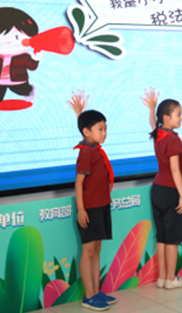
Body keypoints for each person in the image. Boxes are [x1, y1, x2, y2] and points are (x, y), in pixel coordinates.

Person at [68, 90, 117, 311]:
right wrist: (81, 210)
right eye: (100, 129)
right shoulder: (86, 153)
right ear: (87, 132)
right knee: (88, 251)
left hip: (102, 205)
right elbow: (78, 183)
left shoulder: (94, 149)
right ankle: (88, 296)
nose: (104, 133)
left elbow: (85, 127)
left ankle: (96, 291)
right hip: (90, 209)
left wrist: (80, 113)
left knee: (97, 249)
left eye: (105, 128)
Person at [141, 88, 182, 289]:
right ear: (166, 117)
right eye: (178, 114)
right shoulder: (172, 139)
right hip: (171, 191)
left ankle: (162, 278)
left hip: (157, 190)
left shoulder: (158, 134)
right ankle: (171, 279)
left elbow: (152, 123)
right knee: (172, 239)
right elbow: (175, 170)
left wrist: (151, 108)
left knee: (162, 237)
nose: (181, 118)